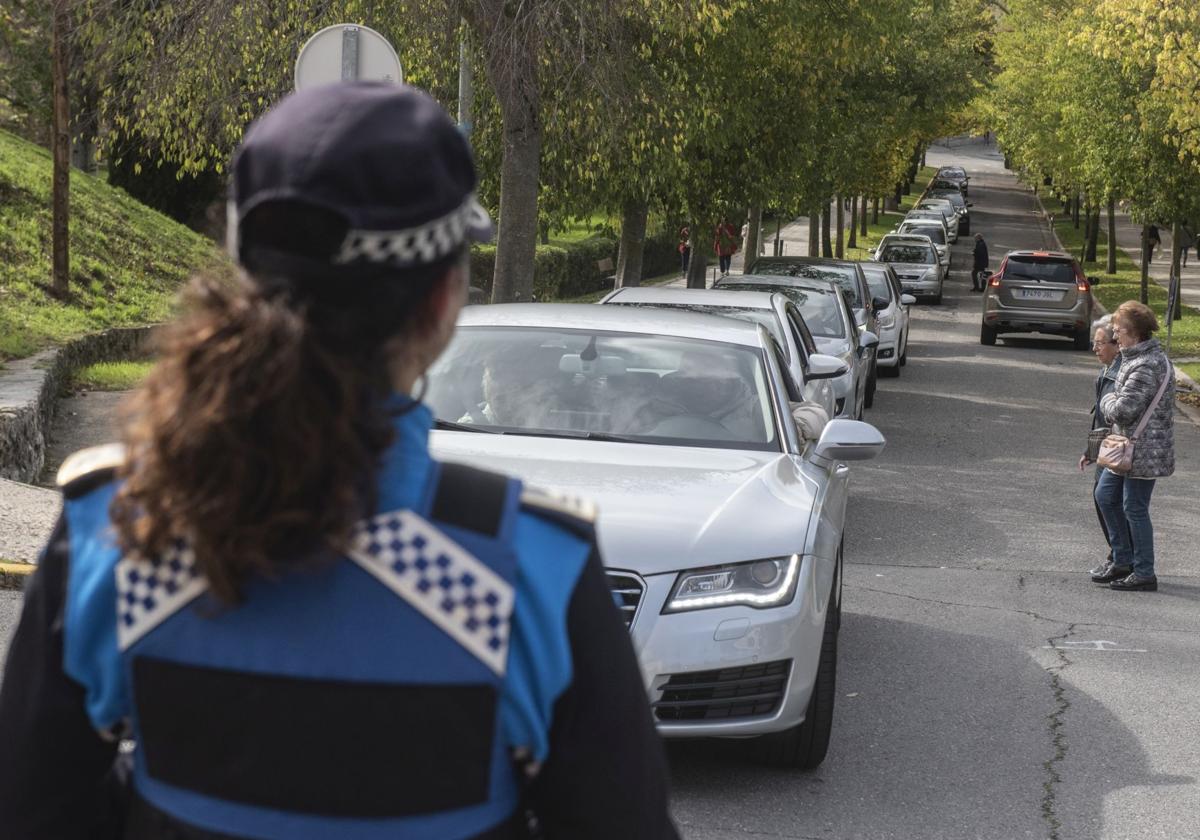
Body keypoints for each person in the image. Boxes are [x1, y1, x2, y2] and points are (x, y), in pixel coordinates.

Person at [0, 83, 679, 840]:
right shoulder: (523, 572)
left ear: (248, 277)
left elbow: (32, 811)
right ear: (442, 303)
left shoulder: (123, 530)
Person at [1092, 301, 1175, 592]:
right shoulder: (1134, 358)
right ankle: (1123, 560)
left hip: (1144, 451)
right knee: (1105, 495)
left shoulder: (1146, 365)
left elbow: (1122, 410)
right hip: (1128, 447)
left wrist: (1106, 400)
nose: (1115, 338)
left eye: (1118, 332)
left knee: (1134, 508)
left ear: (1135, 334)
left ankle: (1144, 572)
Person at [1079, 315, 1124, 577]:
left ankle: (1120, 556)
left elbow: (1114, 417)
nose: (1095, 348)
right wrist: (1091, 451)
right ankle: (1117, 553)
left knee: (1109, 499)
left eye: (1100, 343)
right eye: (1094, 343)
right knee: (1103, 499)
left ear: (1117, 344)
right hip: (1106, 447)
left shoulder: (1120, 373)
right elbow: (1100, 418)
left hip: (1117, 448)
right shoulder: (1106, 370)